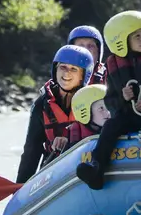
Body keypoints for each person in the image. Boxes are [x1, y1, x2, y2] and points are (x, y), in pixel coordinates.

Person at [76, 10, 141, 190]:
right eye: (137, 36)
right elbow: (110, 102)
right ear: (121, 41)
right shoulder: (114, 66)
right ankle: (96, 166)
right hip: (128, 117)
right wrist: (123, 97)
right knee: (111, 125)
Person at [15, 44, 95, 183]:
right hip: (52, 167)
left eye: (73, 69)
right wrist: (21, 187)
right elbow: (31, 151)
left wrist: (69, 142)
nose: (66, 73)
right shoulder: (42, 104)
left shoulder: (95, 101)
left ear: (84, 75)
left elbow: (100, 137)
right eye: (62, 67)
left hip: (86, 166)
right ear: (55, 69)